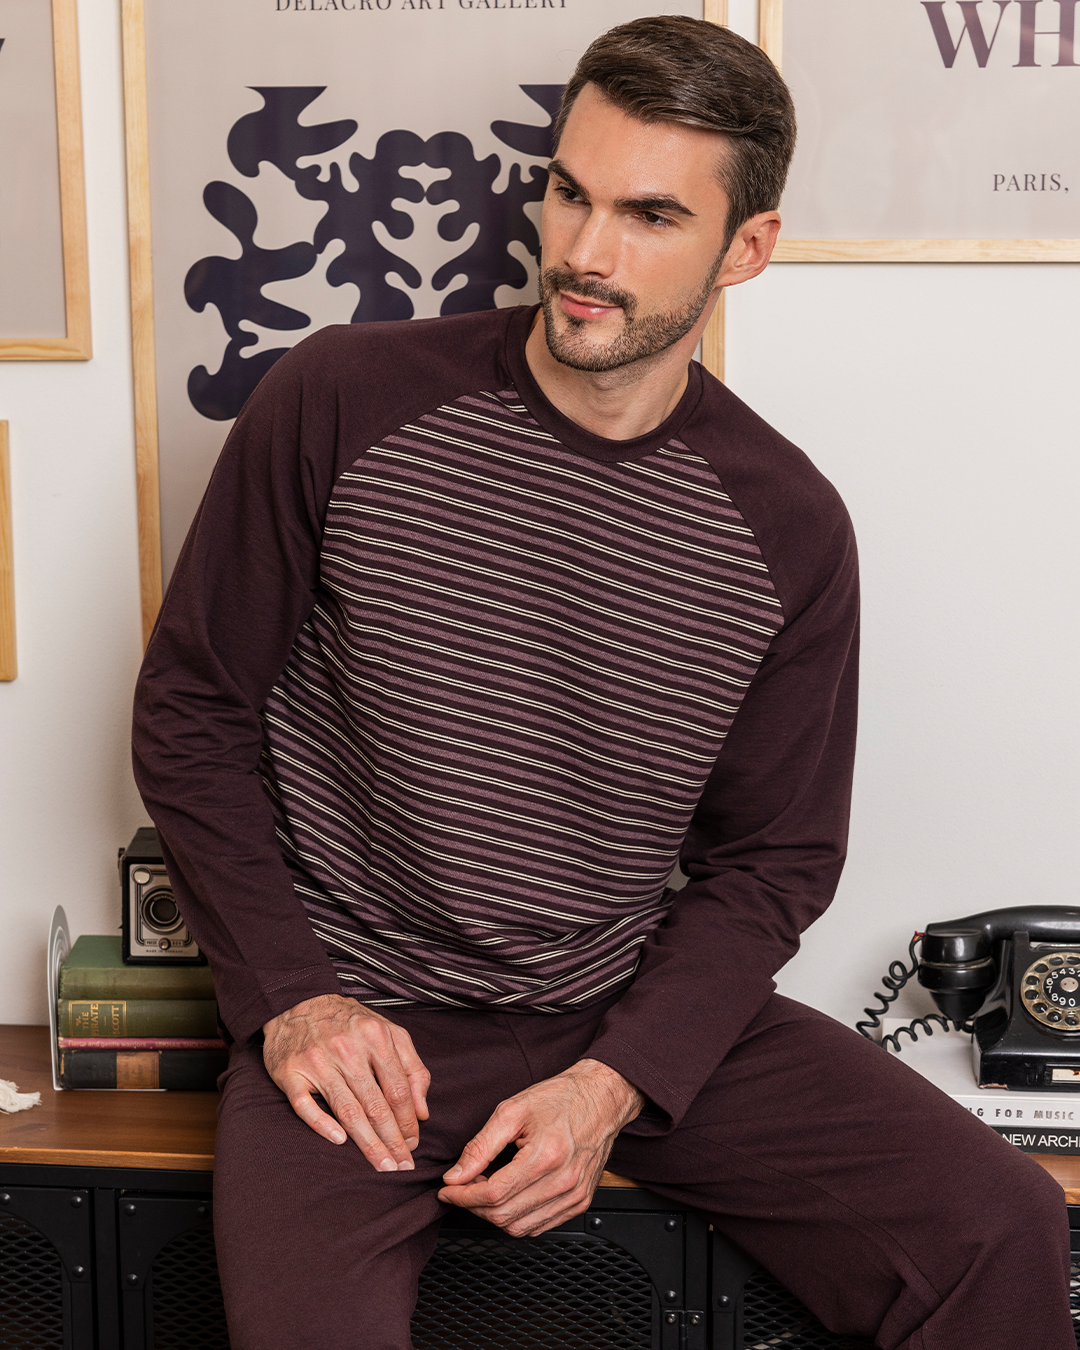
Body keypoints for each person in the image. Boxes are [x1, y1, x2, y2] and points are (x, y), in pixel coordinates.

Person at [132, 16, 1074, 1350]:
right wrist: (292, 1000)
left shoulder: (789, 525)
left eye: (649, 215)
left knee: (1002, 1224)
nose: (584, 252)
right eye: (571, 193)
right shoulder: (338, 399)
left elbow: (775, 859)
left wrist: (618, 1079)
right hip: (360, 1020)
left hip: (622, 1006)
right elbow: (192, 712)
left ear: (747, 247)